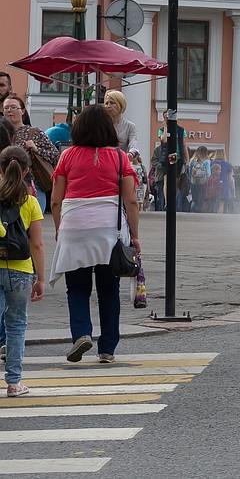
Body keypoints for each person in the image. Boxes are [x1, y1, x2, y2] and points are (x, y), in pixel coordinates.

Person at [49, 104, 140, 364]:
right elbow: (131, 201)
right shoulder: (120, 158)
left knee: (76, 288)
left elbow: (56, 200)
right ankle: (108, 348)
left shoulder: (66, 156)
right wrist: (135, 236)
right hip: (108, 231)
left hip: (74, 226)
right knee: (108, 290)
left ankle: (81, 334)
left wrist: (59, 228)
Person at [0, 146, 47, 397]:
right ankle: (14, 383)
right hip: (20, 270)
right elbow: (36, 244)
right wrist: (40, 278)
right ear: (27, 170)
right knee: (16, 325)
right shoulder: (30, 202)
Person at [3, 95, 60, 211]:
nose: (9, 110)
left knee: (33, 224)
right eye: (6, 108)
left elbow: (55, 155)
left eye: (13, 107)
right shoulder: (2, 132)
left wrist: (37, 149)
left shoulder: (34, 133)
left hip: (32, 186)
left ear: (23, 111)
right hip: (5, 186)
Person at [187, 146, 211, 213]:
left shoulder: (192, 160)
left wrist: (190, 180)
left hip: (193, 181)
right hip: (203, 182)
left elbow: (189, 171)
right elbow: (208, 173)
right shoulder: (206, 161)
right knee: (201, 199)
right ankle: (199, 212)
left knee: (194, 199)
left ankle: (192, 211)